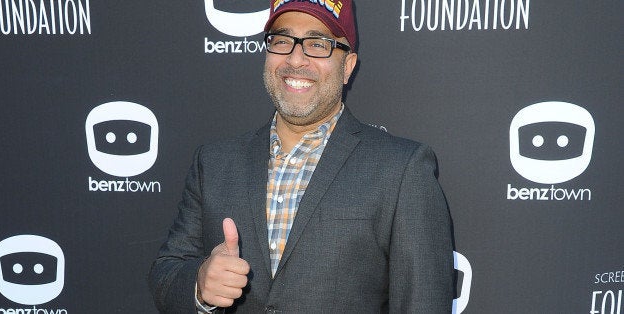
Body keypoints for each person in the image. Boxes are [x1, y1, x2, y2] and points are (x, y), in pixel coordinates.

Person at [148, 0, 455, 313]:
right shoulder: (214, 163)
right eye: (282, 41)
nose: (296, 58)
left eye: (317, 44)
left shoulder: (401, 169)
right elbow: (167, 273)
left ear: (347, 66)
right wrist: (199, 284)